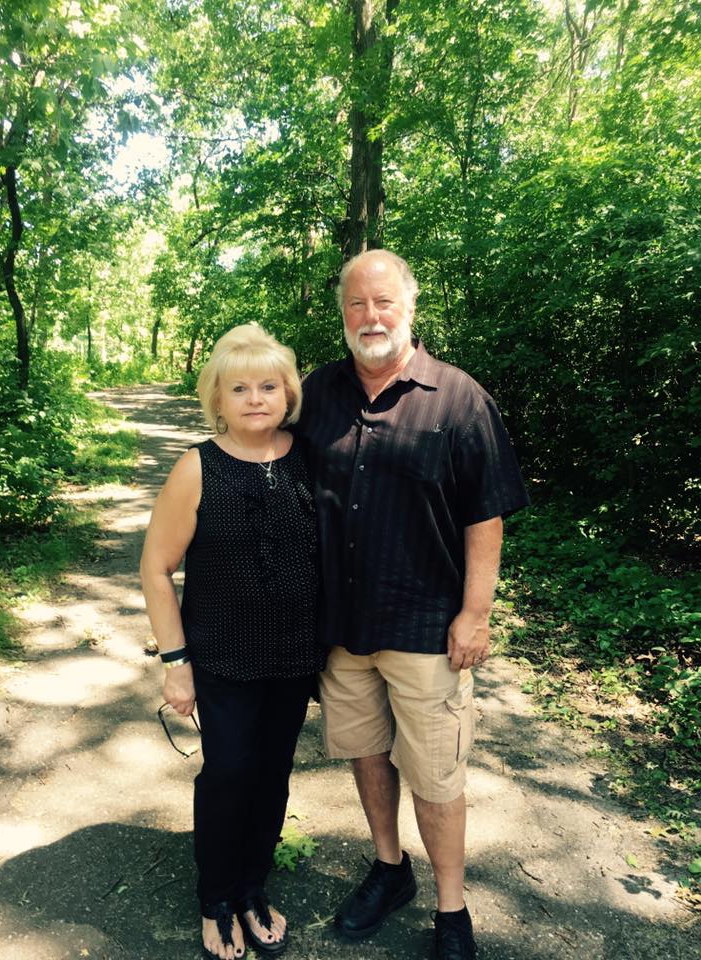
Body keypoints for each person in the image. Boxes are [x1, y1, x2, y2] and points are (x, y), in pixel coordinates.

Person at [295, 250, 529, 960]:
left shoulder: (459, 399)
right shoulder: (317, 392)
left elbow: (486, 514)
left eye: (384, 302)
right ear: (343, 313)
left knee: (435, 774)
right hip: (343, 627)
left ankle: (451, 910)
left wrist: (475, 613)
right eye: (357, 304)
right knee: (367, 752)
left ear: (409, 308)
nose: (371, 317)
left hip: (426, 625)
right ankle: (389, 868)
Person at [140, 323, 324, 960]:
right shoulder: (197, 467)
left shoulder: (309, 456)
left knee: (273, 775)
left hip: (294, 657)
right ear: (217, 398)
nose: (254, 399)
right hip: (221, 657)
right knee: (228, 774)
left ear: (288, 393)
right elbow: (156, 568)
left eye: (268, 386)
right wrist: (176, 662)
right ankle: (216, 898)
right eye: (239, 388)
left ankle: (251, 888)